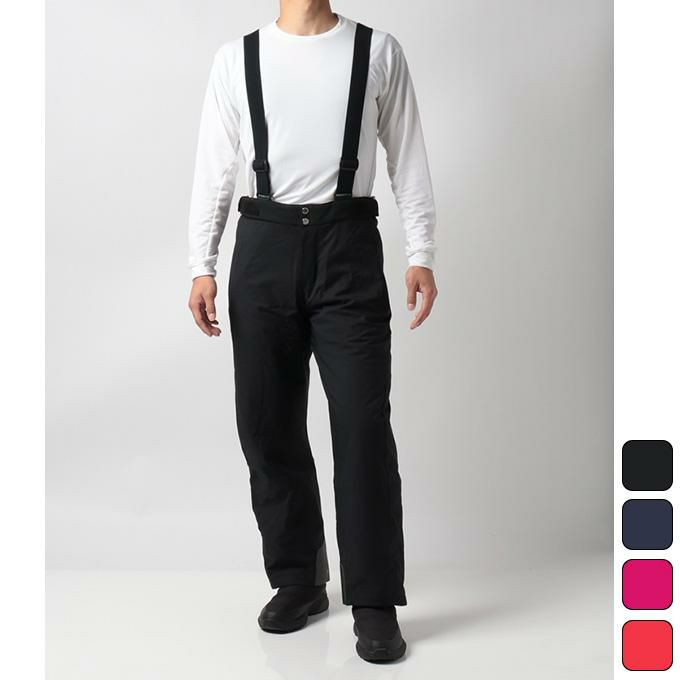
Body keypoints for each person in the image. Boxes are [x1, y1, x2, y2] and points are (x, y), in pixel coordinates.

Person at [187, 0, 437, 663]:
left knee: (361, 424)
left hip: (347, 246)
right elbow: (215, 166)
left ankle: (375, 598)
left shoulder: (377, 51)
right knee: (266, 421)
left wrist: (421, 252)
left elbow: (407, 155)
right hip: (262, 246)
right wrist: (201, 264)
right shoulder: (236, 60)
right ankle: (298, 578)